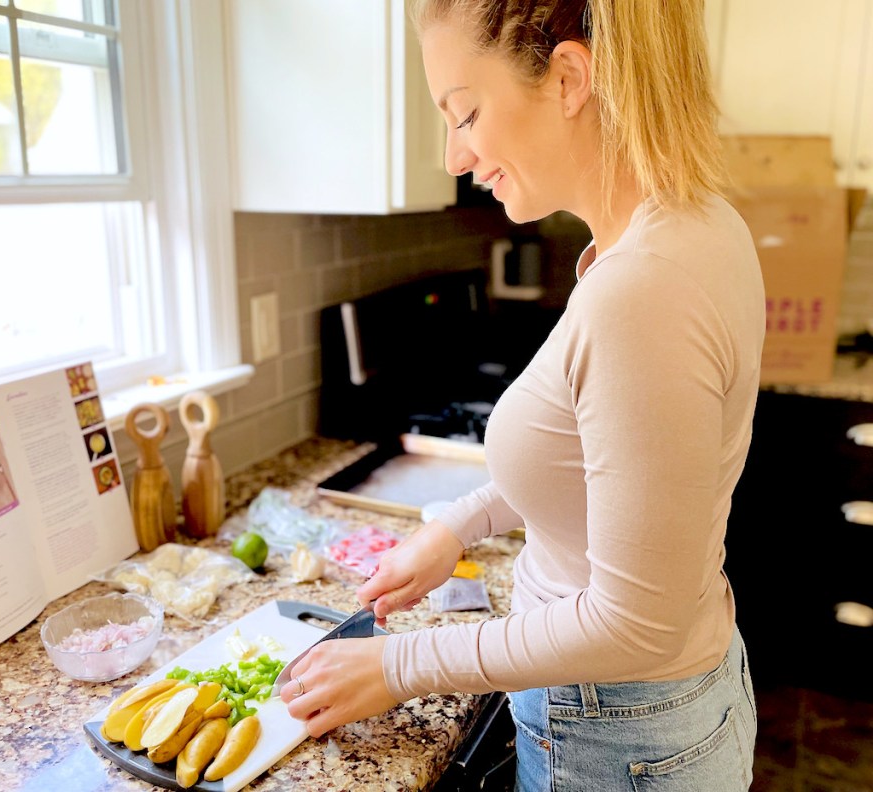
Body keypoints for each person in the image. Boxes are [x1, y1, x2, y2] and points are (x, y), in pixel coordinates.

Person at [280, 0, 763, 788]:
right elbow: (593, 459)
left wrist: (400, 663)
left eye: (465, 114)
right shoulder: (691, 226)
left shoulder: (641, 290)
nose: (455, 156)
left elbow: (635, 622)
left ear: (569, 77)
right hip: (669, 715)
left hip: (618, 738)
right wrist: (460, 526)